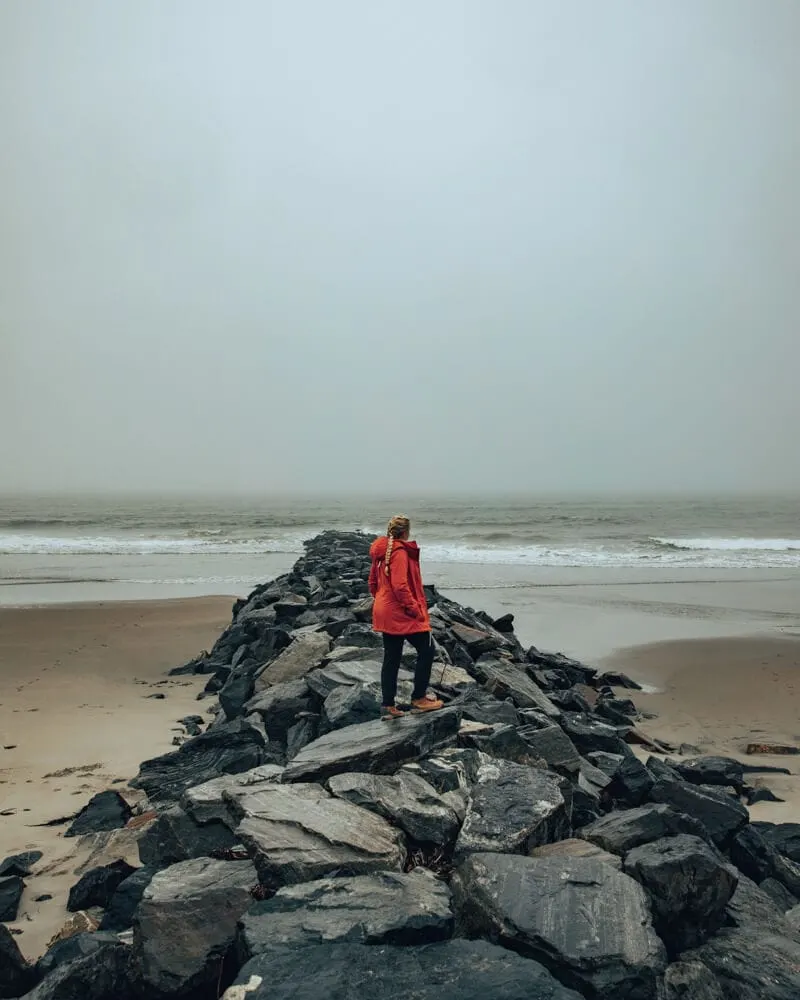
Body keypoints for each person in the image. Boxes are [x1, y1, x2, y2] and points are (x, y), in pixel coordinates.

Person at [369, 515, 445, 720]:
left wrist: (382, 601)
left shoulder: (382, 551)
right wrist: (414, 609)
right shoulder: (400, 552)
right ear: (405, 532)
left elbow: (372, 583)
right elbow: (400, 585)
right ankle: (419, 698)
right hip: (400, 611)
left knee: (392, 657)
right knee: (427, 650)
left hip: (384, 609)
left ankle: (388, 705)